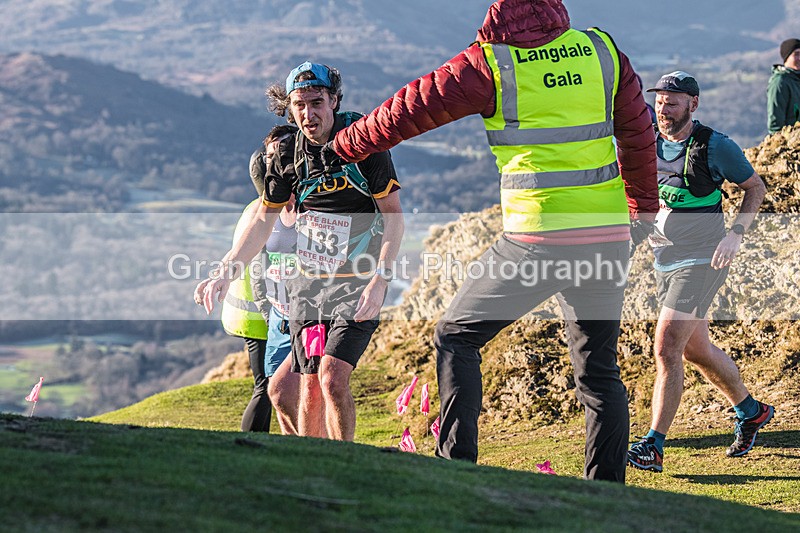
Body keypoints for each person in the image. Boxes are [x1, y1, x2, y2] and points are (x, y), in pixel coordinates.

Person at [323, 0, 658, 483]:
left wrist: (342, 146)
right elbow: (638, 135)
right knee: (599, 370)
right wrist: (642, 210)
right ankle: (606, 493)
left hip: (537, 238)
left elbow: (410, 108)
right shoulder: (601, 50)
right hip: (606, 235)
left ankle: (456, 471)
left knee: (457, 336)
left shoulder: (491, 62)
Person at [203, 62, 404, 442]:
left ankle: (346, 460)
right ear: (289, 109)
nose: (308, 115)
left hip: (357, 283)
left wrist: (381, 279)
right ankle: (316, 462)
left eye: (316, 103)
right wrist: (225, 271)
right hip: (308, 288)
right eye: (299, 105)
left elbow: (393, 215)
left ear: (334, 101)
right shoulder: (285, 153)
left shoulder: (364, 141)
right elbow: (264, 219)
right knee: (306, 384)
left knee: (332, 376)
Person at [626, 71, 773, 473]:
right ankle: (752, 411)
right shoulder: (648, 142)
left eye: (672, 103)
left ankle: (653, 446)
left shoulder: (715, 145)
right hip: (664, 259)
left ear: (693, 104)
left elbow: (755, 187)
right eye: (659, 102)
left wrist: (736, 235)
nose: (664, 110)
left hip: (704, 259)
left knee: (666, 347)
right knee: (696, 350)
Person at [194, 125, 301, 435]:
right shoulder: (263, 212)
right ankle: (254, 444)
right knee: (267, 386)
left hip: (256, 313)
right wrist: (271, 315)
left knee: (273, 386)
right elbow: (255, 271)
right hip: (258, 315)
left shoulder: (261, 208)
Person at [767, 38, 800, 133]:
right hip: (791, 139)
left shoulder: (797, 79)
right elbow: (775, 124)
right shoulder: (780, 82)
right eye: (796, 54)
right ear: (787, 57)